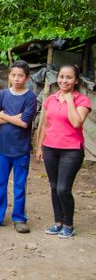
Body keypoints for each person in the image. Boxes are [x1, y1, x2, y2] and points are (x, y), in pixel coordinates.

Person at [36, 65, 91, 238]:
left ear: (76, 80)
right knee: (53, 187)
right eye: (61, 77)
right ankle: (58, 222)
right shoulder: (50, 99)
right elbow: (44, 124)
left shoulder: (82, 101)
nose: (64, 80)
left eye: (68, 77)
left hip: (71, 150)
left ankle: (68, 224)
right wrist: (39, 147)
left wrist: (68, 101)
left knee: (63, 189)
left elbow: (76, 123)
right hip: (50, 148)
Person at [0, 60, 37, 233]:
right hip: (2, 148)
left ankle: (19, 218)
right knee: (0, 182)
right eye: (13, 75)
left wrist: (4, 115)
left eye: (20, 75)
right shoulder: (2, 95)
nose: (16, 78)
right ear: (9, 76)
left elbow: (25, 123)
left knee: (20, 184)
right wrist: (15, 117)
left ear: (27, 77)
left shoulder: (30, 97)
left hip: (21, 149)